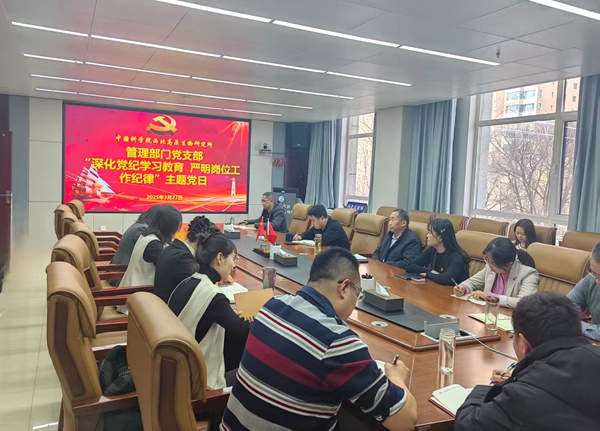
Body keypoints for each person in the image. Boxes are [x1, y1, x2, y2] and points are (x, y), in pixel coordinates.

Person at [221, 248, 417, 430]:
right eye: (358, 294)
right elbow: (406, 420)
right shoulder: (337, 340)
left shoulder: (271, 306)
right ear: (344, 288)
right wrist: (396, 376)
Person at [455, 292, 600, 430]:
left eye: (512, 337)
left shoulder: (520, 396)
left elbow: (467, 424)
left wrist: (491, 388)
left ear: (524, 345)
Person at [168, 233, 250, 389]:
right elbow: (242, 331)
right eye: (234, 258)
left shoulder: (188, 281)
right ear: (220, 258)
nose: (234, 265)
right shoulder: (214, 296)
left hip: (175, 369)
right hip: (196, 380)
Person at [453, 238, 538, 308]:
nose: (490, 266)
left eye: (494, 264)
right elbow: (472, 282)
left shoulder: (528, 274)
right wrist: (463, 288)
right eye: (488, 261)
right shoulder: (490, 267)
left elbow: (523, 303)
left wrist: (489, 296)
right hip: (487, 313)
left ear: (509, 265)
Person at [153, 216, 220, 303]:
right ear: (202, 243)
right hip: (172, 309)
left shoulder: (175, 248)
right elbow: (206, 286)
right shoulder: (182, 259)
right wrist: (219, 273)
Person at [118, 205, 182, 289]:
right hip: (139, 290)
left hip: (134, 286)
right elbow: (168, 268)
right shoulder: (153, 244)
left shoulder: (147, 235)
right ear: (170, 227)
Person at [405, 218, 469, 285]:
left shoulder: (458, 257)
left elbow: (446, 279)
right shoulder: (433, 250)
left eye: (430, 233)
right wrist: (430, 271)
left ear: (440, 237)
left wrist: (427, 274)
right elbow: (410, 266)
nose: (427, 236)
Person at [109, 205, 160, 286]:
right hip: (121, 276)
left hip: (118, 270)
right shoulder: (143, 229)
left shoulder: (139, 225)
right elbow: (154, 251)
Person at [567, 242, 600, 341]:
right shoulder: (590, 281)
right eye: (594, 273)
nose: (597, 282)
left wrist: (575, 325)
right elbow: (562, 308)